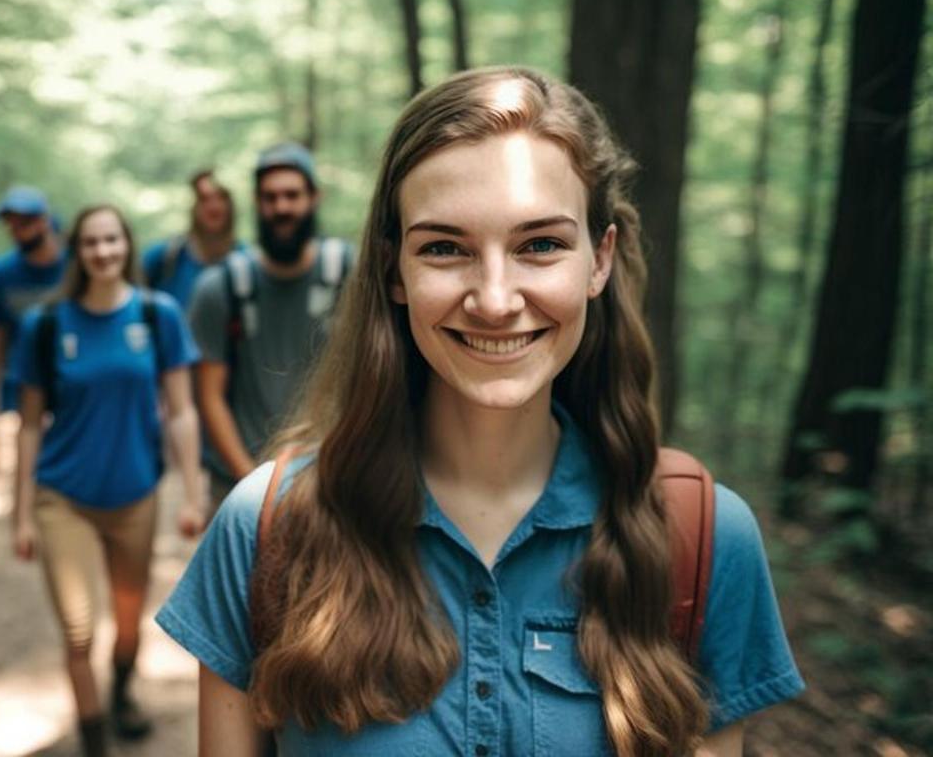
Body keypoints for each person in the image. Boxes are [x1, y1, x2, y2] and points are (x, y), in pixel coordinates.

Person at [155, 68, 805, 756]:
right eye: (444, 247)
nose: (494, 299)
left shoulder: (701, 540)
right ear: (393, 272)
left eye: (541, 245)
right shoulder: (267, 532)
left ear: (600, 260)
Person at [11, 204, 207, 757]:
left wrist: (192, 494)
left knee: (127, 625)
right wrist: (21, 513)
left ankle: (121, 692)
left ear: (126, 244)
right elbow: (27, 427)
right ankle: (94, 739)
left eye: (112, 240)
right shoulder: (45, 325)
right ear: (77, 250)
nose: (103, 252)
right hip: (62, 498)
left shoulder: (157, 314)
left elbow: (182, 411)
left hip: (135, 497)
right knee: (78, 632)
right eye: (91, 242)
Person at [187, 143, 353, 504]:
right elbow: (210, 395)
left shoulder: (349, 276)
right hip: (238, 484)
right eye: (270, 197)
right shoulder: (220, 288)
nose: (282, 207)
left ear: (314, 198)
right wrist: (253, 485)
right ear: (257, 203)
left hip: (333, 480)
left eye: (292, 195)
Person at [0, 186, 67, 471]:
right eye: (9, 223)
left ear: (45, 220)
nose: (16, 230)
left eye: (24, 222)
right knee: (35, 474)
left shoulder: (78, 266)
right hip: (26, 392)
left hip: (78, 385)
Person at [143, 169, 242, 310]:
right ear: (194, 205)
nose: (213, 207)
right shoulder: (166, 258)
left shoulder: (244, 262)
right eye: (204, 199)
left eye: (221, 197)